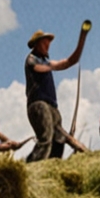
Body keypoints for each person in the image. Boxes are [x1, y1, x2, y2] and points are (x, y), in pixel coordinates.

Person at [22, 27, 86, 162]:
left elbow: (68, 62)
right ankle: (29, 168)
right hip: (38, 104)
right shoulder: (31, 59)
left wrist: (81, 41)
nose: (47, 45)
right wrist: (56, 66)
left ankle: (52, 167)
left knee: (59, 140)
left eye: (48, 43)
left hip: (52, 106)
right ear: (37, 44)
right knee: (46, 139)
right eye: (44, 43)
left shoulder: (46, 61)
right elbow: (39, 68)